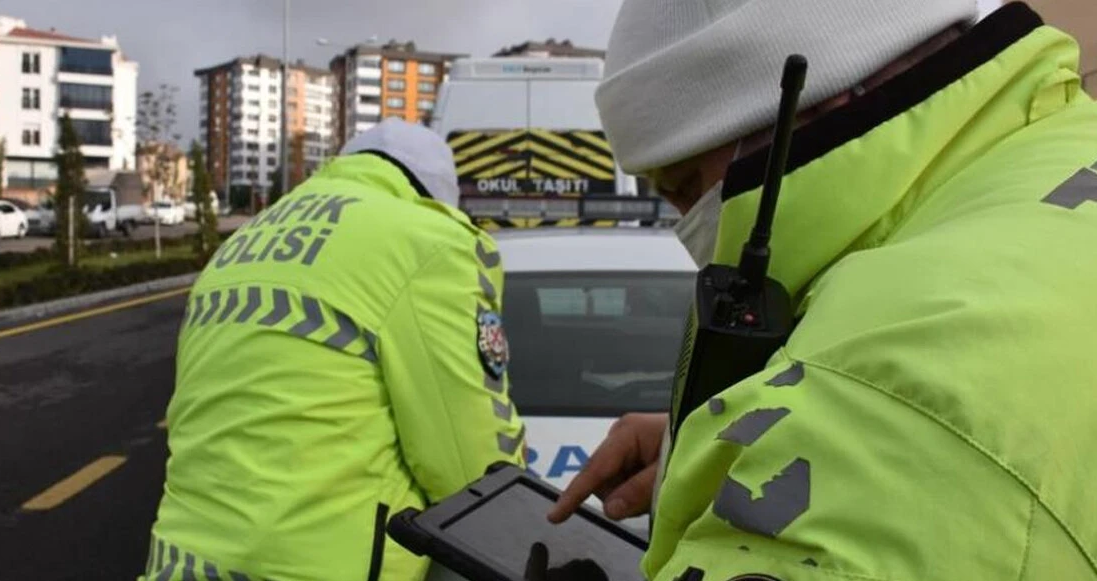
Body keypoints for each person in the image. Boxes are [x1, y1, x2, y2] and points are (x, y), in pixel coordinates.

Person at [549, 1, 1097, 579]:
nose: (685, 217)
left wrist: (796, 440)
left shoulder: (866, 403)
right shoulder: (1058, 153)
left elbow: (900, 420)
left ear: (814, 101)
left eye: (685, 186)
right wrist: (725, 445)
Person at [140, 118, 527, 581]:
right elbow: (477, 474)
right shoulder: (428, 242)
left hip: (180, 564)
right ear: (437, 198)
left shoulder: (242, 243)